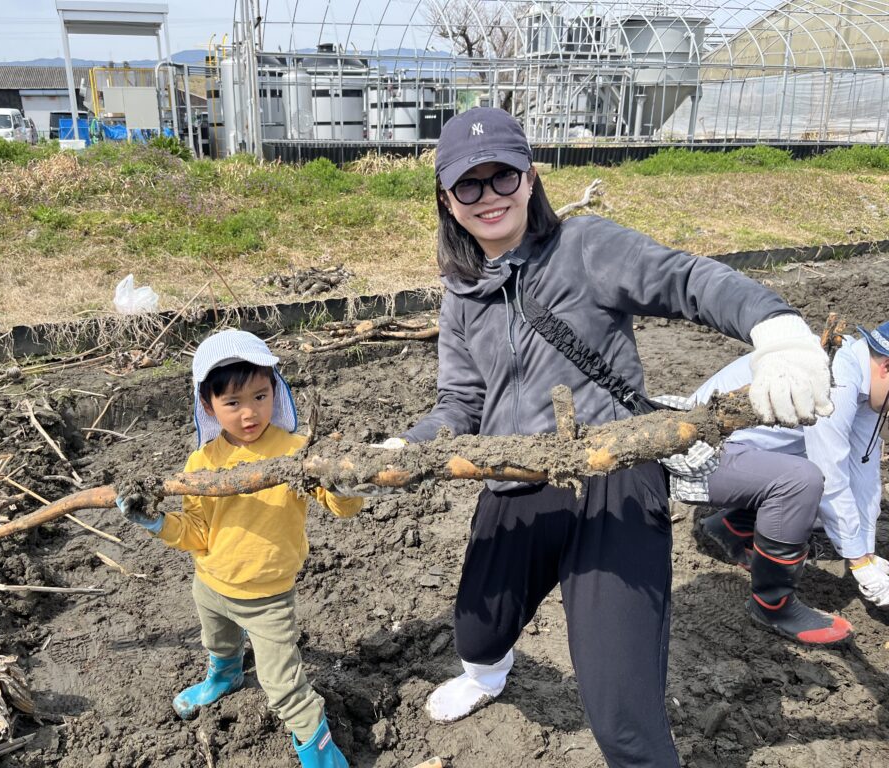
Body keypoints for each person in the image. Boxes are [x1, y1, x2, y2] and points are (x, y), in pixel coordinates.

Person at [381, 107, 834, 767]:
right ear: (447, 200)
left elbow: (686, 279)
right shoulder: (463, 291)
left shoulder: (584, 246)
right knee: (477, 633)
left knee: (621, 716)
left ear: (529, 180)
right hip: (518, 475)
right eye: (468, 185)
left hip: (613, 476)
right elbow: (459, 401)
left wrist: (775, 327)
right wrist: (406, 449)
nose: (488, 197)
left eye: (501, 176)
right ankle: (488, 676)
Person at [116, 329, 362, 768]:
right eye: (232, 403)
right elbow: (196, 533)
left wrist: (341, 481)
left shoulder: (296, 453)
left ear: (276, 391)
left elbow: (340, 508)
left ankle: (321, 756)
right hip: (210, 583)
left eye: (260, 396)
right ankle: (225, 676)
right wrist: (155, 522)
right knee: (218, 640)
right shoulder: (202, 463)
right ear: (208, 405)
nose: (249, 413)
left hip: (267, 596)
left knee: (282, 683)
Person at [692, 319, 889, 630]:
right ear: (887, 367)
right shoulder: (836, 375)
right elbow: (831, 472)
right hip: (700, 455)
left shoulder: (864, 382)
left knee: (828, 496)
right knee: (809, 481)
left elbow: (862, 470)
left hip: (743, 457)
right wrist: (858, 561)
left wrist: (866, 551)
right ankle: (773, 604)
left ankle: (731, 526)